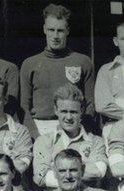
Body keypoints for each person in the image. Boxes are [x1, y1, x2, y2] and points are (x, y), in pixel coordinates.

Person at [20, 3, 94, 137]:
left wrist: (81, 133)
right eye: (51, 30)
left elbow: (90, 104)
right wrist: (34, 135)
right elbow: (24, 106)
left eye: (60, 30)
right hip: (40, 127)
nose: (55, 35)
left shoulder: (83, 61)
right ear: (44, 29)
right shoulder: (30, 64)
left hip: (73, 126)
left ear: (67, 31)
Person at [33, 84, 107, 189]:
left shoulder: (96, 141)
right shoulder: (43, 141)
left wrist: (57, 171)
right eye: (64, 111)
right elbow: (41, 177)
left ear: (81, 111)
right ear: (56, 110)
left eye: (73, 112)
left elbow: (98, 172)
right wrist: (82, 169)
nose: (68, 117)